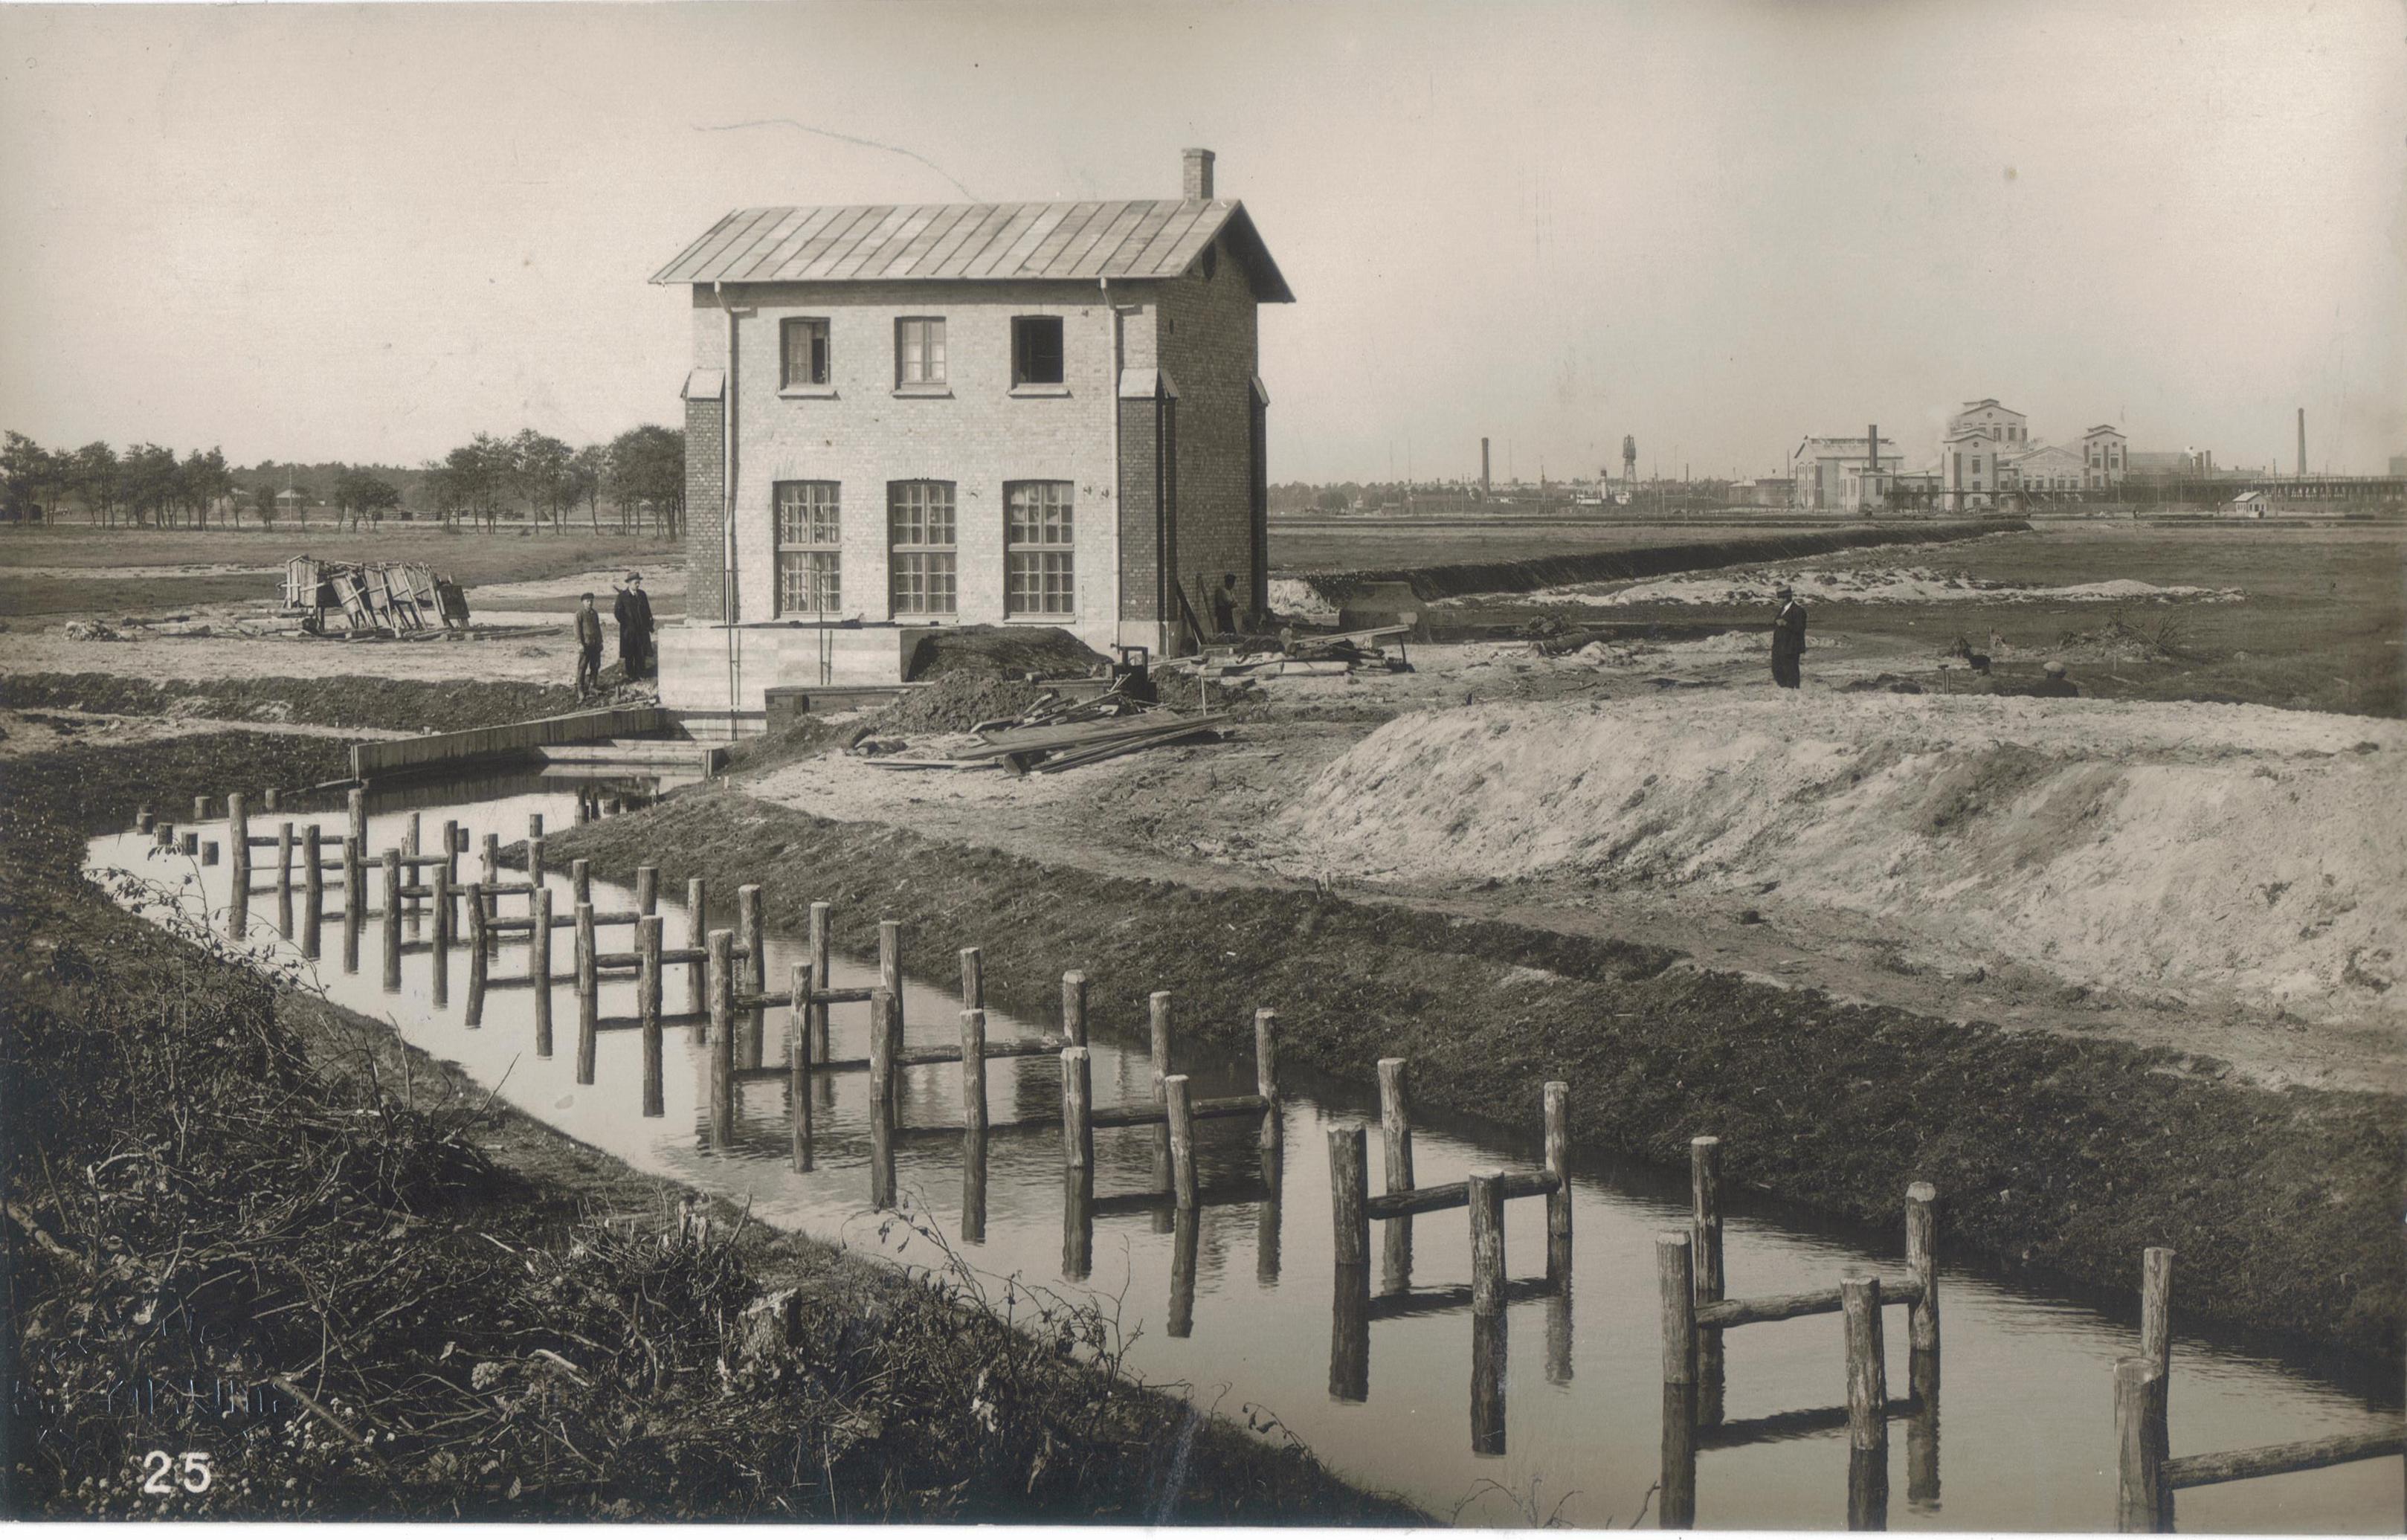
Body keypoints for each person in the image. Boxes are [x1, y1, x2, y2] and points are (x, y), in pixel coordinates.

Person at [613, 572, 655, 681]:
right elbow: (617, 613)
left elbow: (647, 611)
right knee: (629, 653)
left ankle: (641, 673)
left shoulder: (642, 595)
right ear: (629, 583)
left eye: (639, 583)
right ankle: (631, 675)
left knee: (641, 652)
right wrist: (627, 624)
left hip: (641, 630)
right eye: (636, 583)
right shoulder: (622, 596)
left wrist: (649, 623)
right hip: (629, 631)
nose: (638, 585)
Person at [1770, 584, 1807, 689]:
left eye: (1780, 598)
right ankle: (1785, 689)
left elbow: (1800, 629)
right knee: (1777, 669)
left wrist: (1786, 624)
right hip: (1780, 647)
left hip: (1791, 647)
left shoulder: (1798, 610)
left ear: (1785, 598)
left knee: (1791, 671)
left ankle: (1793, 690)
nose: (1778, 600)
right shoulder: (1783, 610)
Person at [573, 592, 604, 695]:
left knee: (595, 666)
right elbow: (577, 631)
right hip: (585, 645)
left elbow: (598, 629)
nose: (590, 603)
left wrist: (600, 642)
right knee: (582, 667)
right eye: (587, 601)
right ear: (583, 602)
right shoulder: (579, 614)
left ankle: (592, 687)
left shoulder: (595, 614)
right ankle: (580, 689)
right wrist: (579, 644)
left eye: (591, 601)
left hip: (595, 645)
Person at [1209, 572, 1240, 637]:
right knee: (1226, 630)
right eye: (1231, 583)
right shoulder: (1223, 591)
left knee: (1231, 630)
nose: (1232, 585)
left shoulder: (1229, 591)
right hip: (1223, 612)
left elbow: (1235, 603)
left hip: (1227, 612)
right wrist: (1233, 603)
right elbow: (1230, 602)